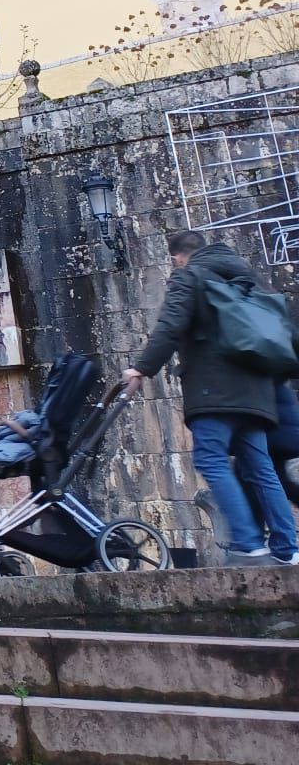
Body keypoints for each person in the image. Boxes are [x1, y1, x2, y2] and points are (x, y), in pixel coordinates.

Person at [124, 230, 298, 566]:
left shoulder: (189, 277)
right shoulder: (251, 280)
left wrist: (141, 369)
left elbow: (171, 327)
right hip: (258, 395)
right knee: (261, 468)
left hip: (214, 392)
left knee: (211, 459)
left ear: (178, 256)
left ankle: (249, 544)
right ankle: (288, 550)